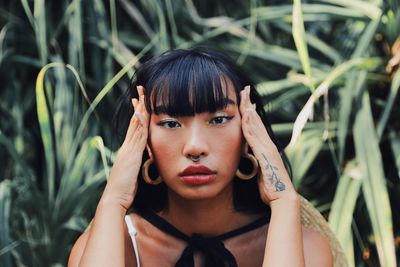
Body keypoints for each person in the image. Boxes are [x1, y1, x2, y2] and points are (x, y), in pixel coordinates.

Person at [68, 47, 333, 267]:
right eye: (171, 123)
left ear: (248, 134)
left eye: (218, 119)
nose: (195, 147)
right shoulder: (116, 245)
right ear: (145, 141)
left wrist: (284, 200)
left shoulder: (305, 248)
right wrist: (113, 200)